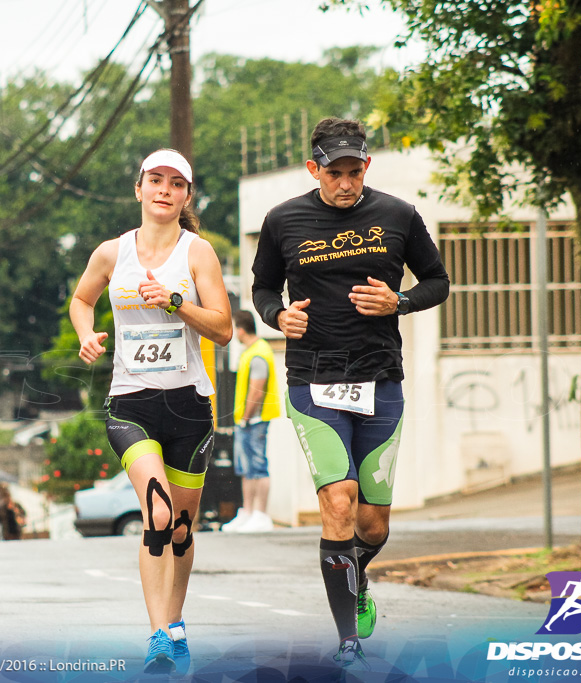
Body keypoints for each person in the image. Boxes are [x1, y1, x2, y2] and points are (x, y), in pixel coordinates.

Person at [251, 119, 449, 667]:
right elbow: (263, 287)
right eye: (334, 173)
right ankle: (348, 641)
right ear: (313, 169)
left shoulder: (398, 215)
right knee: (338, 502)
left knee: (372, 522)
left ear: (367, 167)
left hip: (380, 379)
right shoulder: (283, 220)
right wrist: (277, 315)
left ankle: (357, 576)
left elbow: (438, 280)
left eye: (354, 171)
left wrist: (401, 302)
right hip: (312, 381)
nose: (345, 183)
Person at [71, 148, 231, 675]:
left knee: (181, 527)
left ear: (186, 196)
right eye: (155, 180)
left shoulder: (198, 253)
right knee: (157, 513)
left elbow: (223, 329)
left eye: (175, 183)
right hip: (131, 404)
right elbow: (81, 299)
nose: (164, 190)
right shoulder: (112, 253)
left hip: (189, 405)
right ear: (138, 189)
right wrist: (85, 335)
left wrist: (173, 302)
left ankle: (174, 624)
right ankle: (159, 633)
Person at [221, 309, 280, 533]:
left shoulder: (258, 352)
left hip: (254, 421)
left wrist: (245, 418)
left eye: (235, 327)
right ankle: (247, 512)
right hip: (247, 421)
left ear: (241, 329)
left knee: (257, 466)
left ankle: (261, 515)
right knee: (246, 468)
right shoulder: (250, 351)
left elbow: (257, 390)